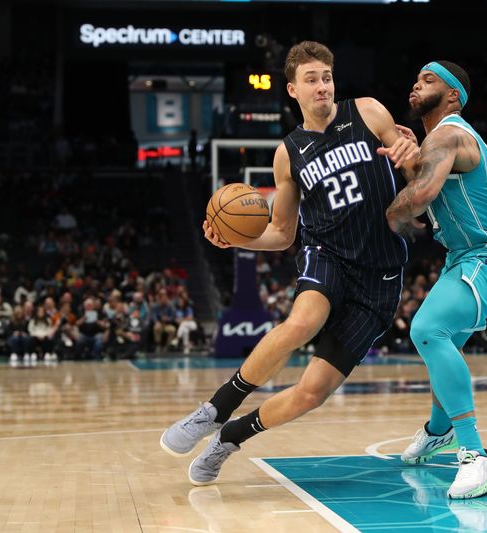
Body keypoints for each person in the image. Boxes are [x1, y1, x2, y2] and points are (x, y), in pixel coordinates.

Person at [160, 41, 419, 486]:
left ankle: (231, 436)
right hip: (327, 255)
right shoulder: (289, 153)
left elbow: (416, 169)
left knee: (312, 393)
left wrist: (411, 156)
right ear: (292, 90)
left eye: (327, 78)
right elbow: (282, 233)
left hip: (381, 274)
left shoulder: (370, 112)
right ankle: (216, 408)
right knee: (301, 323)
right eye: (311, 80)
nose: (322, 87)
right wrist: (231, 240)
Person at [380, 60, 487, 499]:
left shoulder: (449, 133)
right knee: (446, 344)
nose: (415, 83)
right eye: (416, 77)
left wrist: (387, 214)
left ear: (452, 96)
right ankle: (438, 429)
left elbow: (421, 198)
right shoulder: (435, 141)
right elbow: (425, 190)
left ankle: (475, 456)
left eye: (428, 80)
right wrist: (412, 163)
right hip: (465, 255)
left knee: (428, 330)